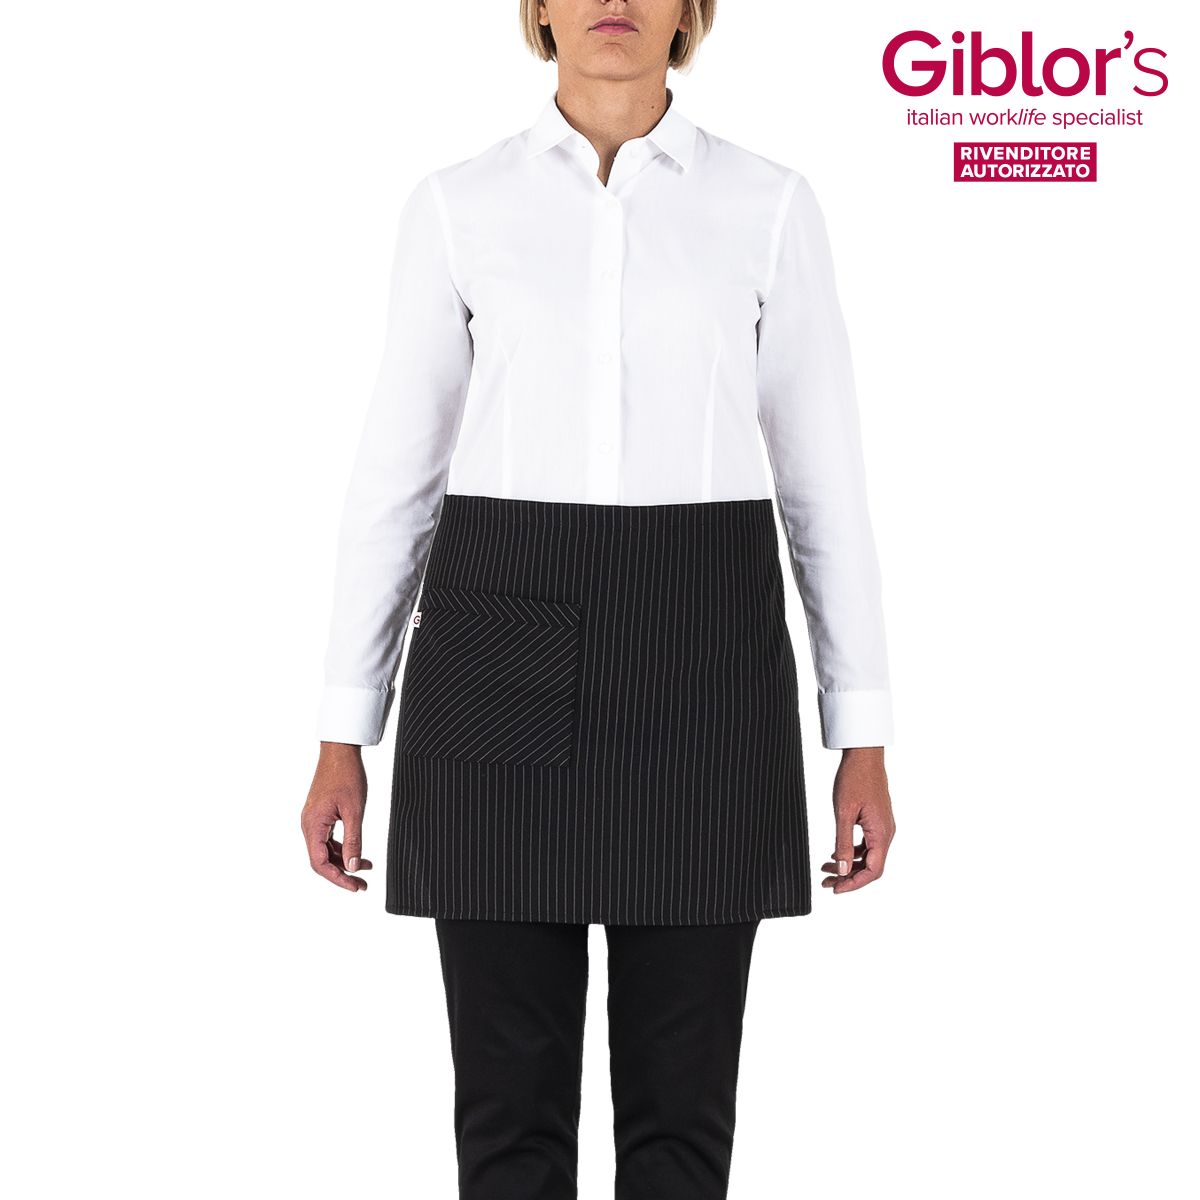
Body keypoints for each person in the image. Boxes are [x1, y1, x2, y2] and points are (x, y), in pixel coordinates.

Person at [302, 2, 897, 1197]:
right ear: (538, 8)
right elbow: (395, 478)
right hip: (494, 669)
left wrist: (862, 733)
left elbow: (823, 480)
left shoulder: (771, 205)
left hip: (705, 667)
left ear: (688, 10)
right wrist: (342, 730)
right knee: (508, 1128)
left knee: (682, 1132)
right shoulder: (457, 205)